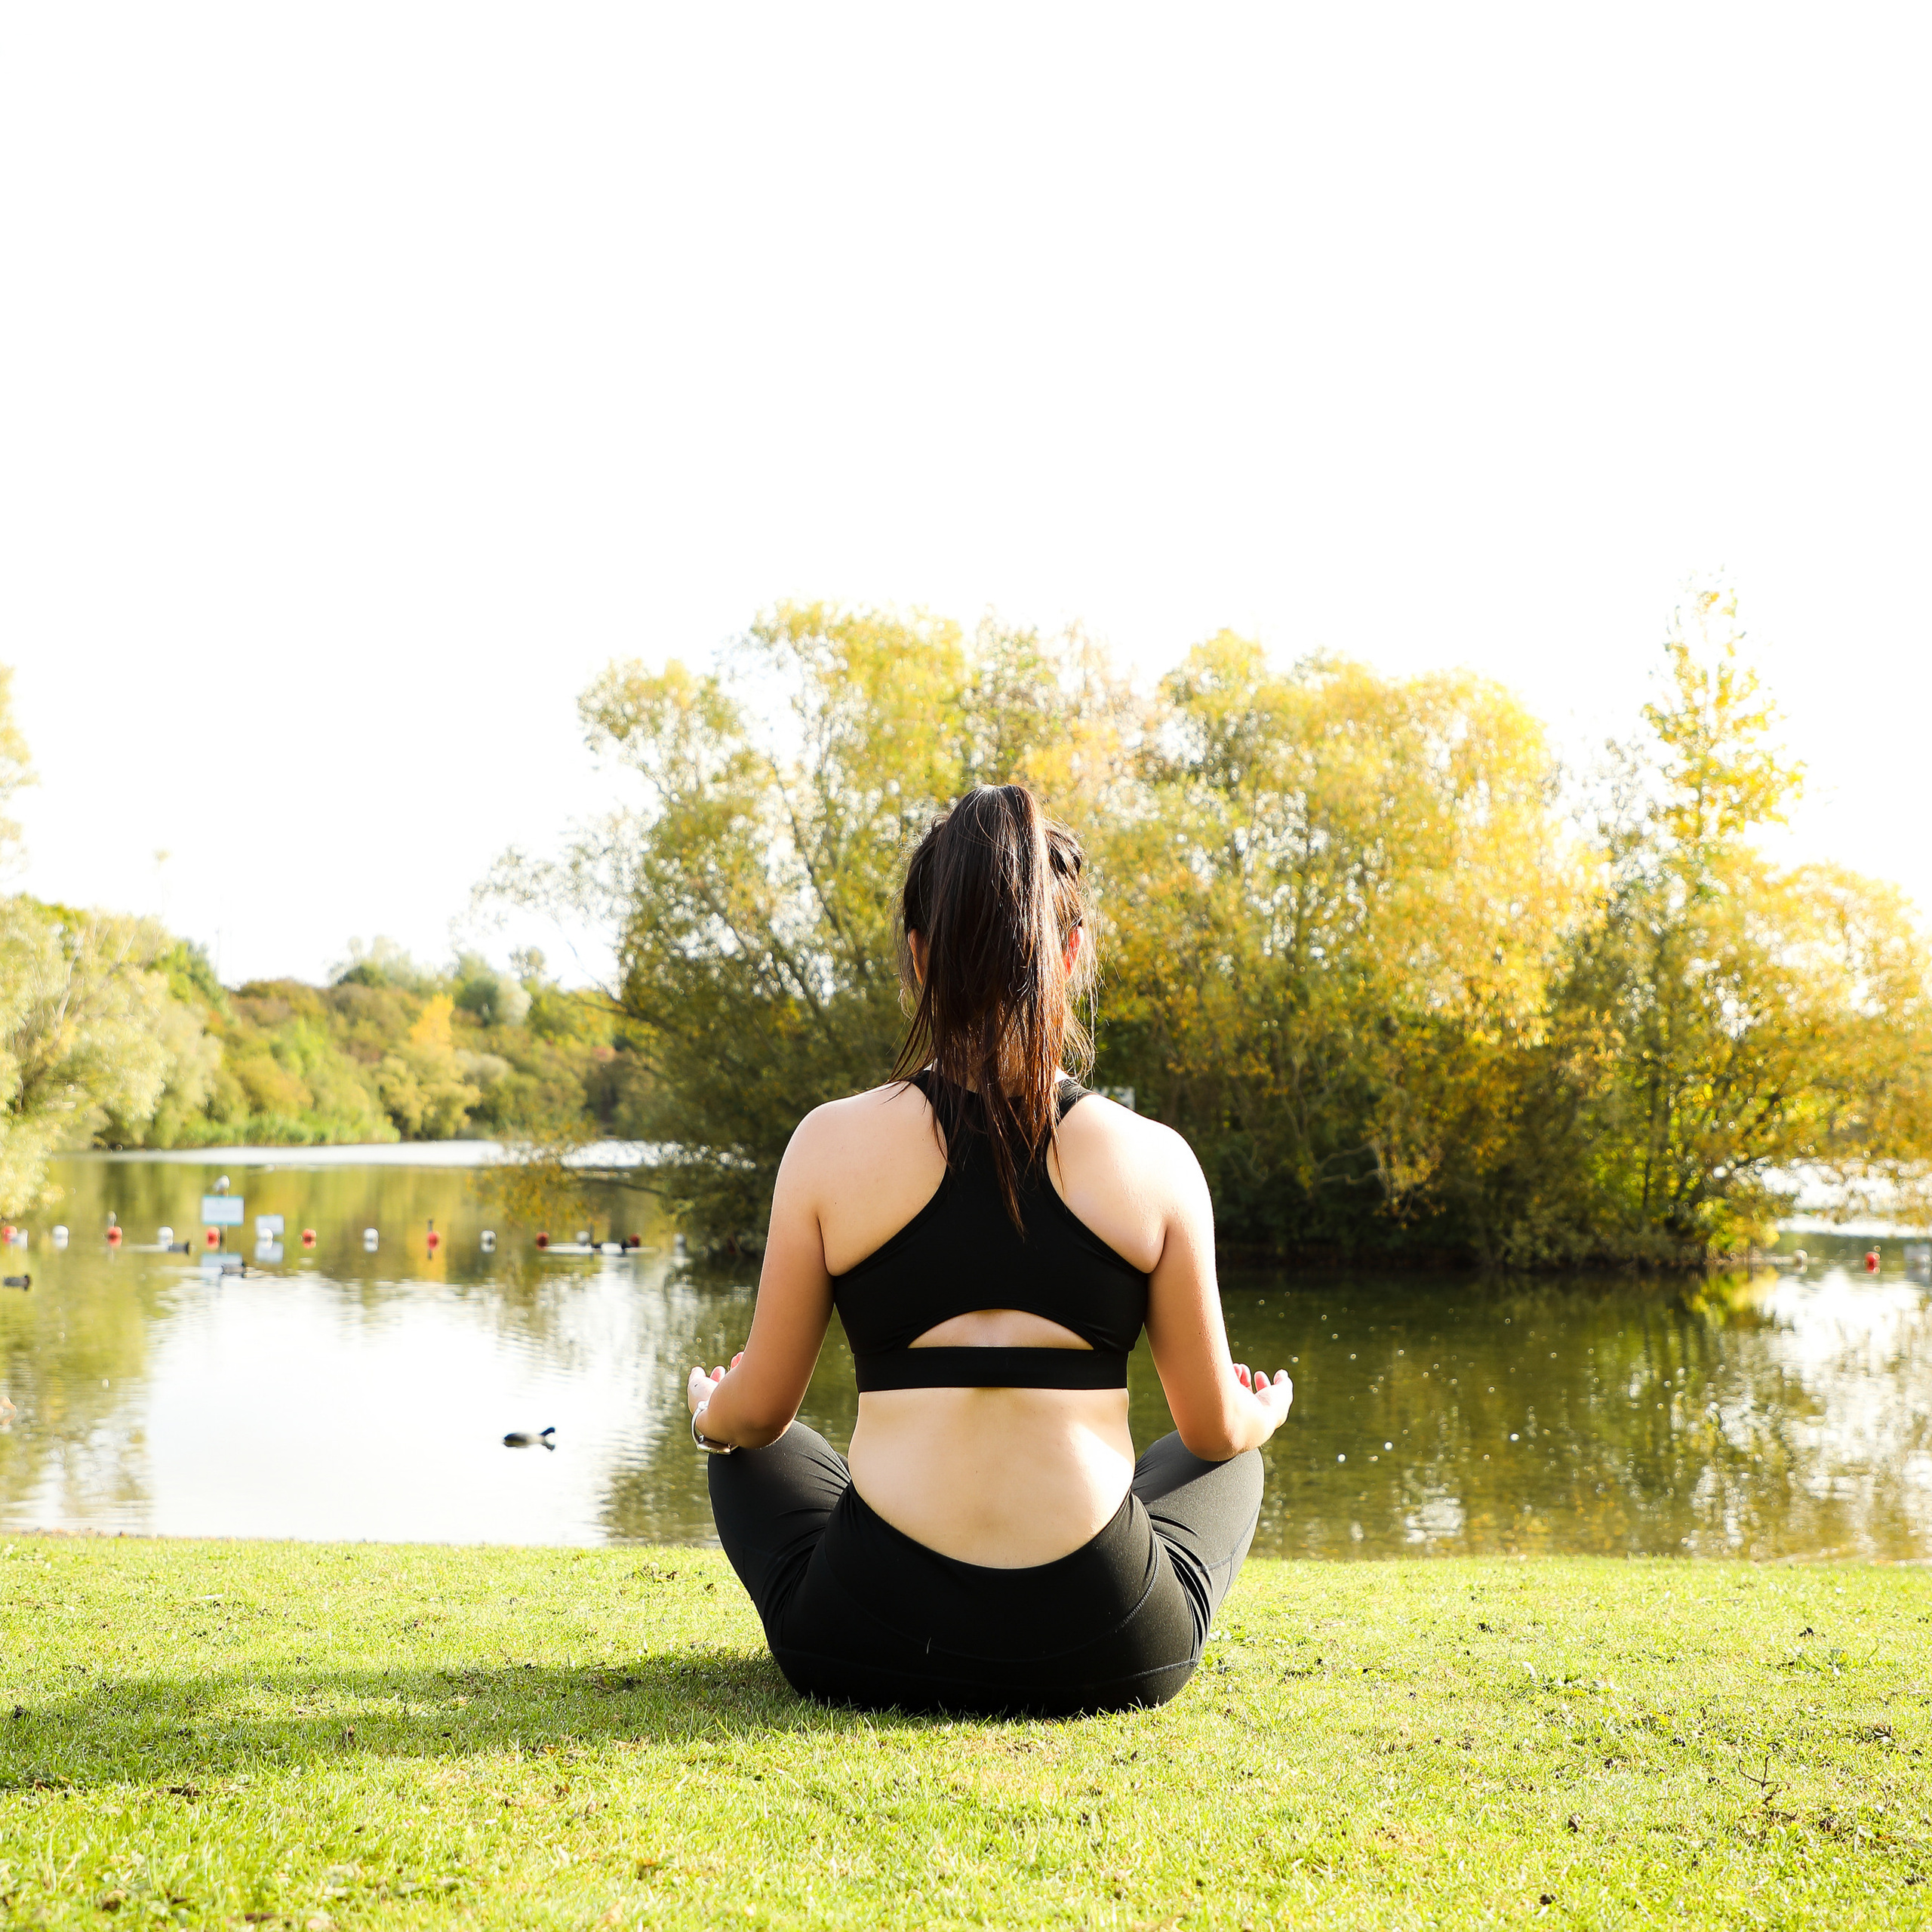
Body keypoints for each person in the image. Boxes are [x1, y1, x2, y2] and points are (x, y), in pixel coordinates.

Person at [685, 783, 1294, 1716]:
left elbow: (760, 1414)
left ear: (920, 957)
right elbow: (1212, 1431)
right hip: (1105, 1644)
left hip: (868, 1637)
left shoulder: (828, 1145)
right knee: (1224, 1459)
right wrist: (1264, 1412)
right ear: (1074, 953)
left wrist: (709, 1411)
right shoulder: (1157, 1161)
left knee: (751, 1450)